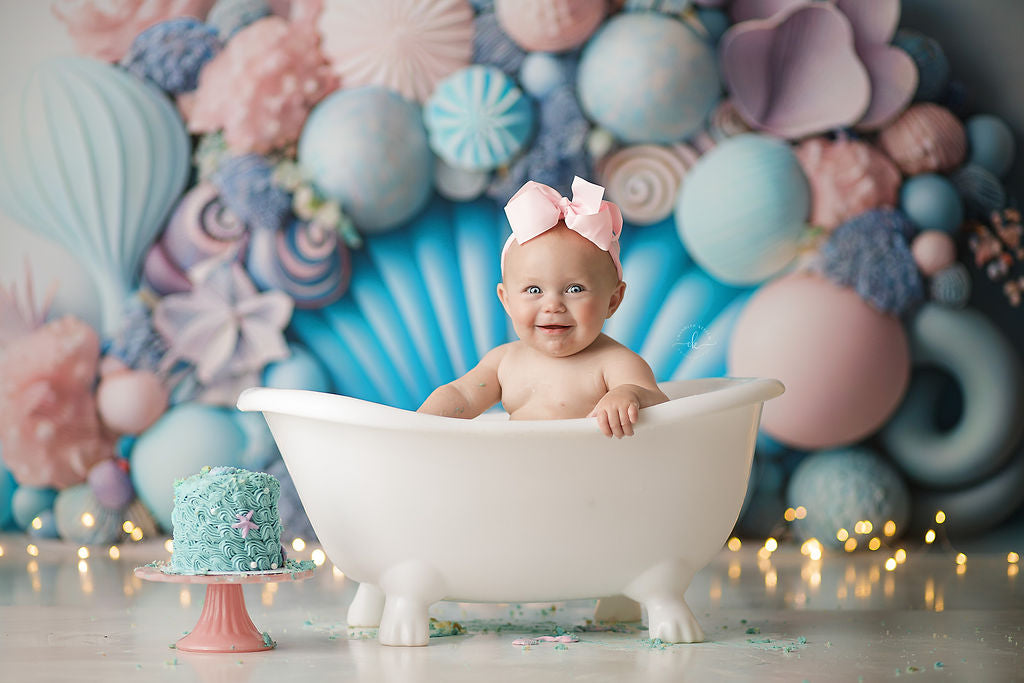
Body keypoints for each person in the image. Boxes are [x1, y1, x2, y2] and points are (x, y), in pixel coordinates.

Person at [417, 176, 668, 437]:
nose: (553, 305)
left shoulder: (615, 363)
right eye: (534, 290)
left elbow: (659, 403)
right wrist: (420, 425)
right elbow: (463, 396)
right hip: (524, 473)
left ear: (613, 300)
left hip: (591, 474)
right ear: (507, 301)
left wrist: (629, 394)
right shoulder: (504, 361)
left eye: (574, 289)